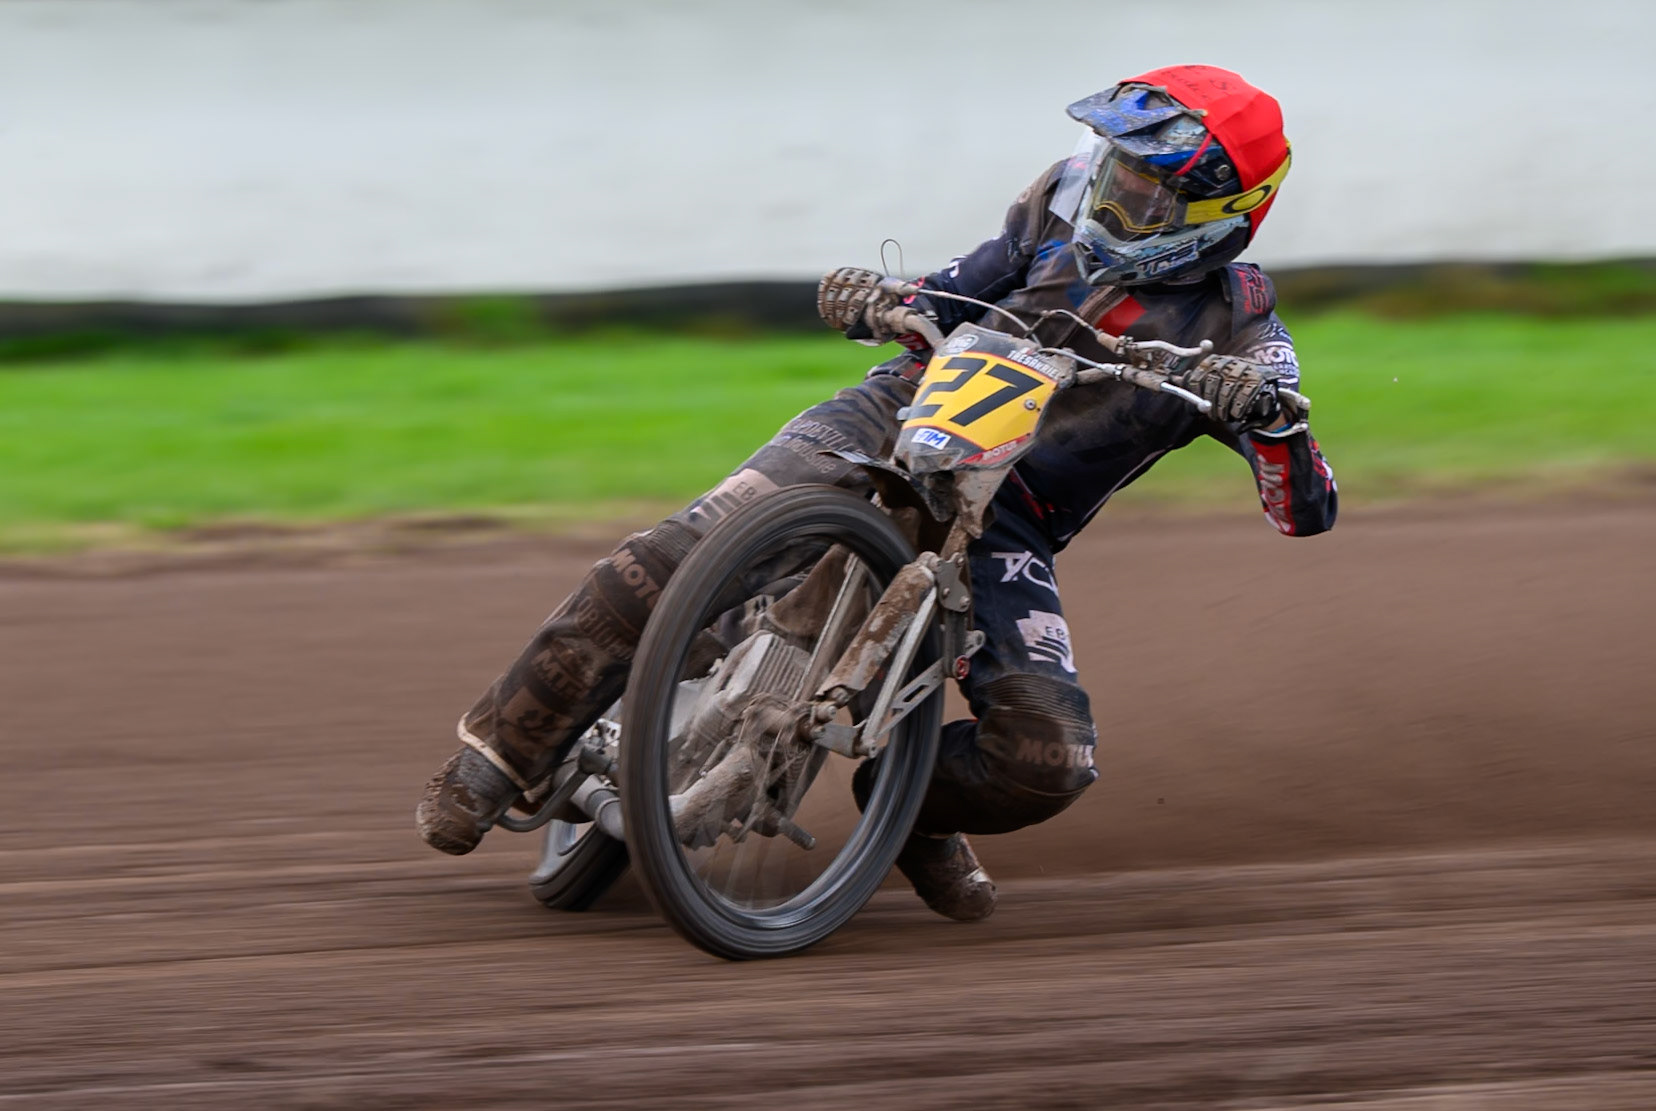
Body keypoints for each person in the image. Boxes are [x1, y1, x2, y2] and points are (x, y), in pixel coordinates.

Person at [416, 64, 1337, 922]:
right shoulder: (1055, 200)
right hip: (892, 413)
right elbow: (953, 292)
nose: (1112, 195)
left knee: (1046, 759)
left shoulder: (1243, 325)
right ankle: (500, 752)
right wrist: (876, 296)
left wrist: (1270, 418)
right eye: (1114, 172)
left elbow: (1305, 510)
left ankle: (909, 807)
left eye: (1145, 189)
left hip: (1006, 518)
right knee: (680, 550)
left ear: (1222, 211)